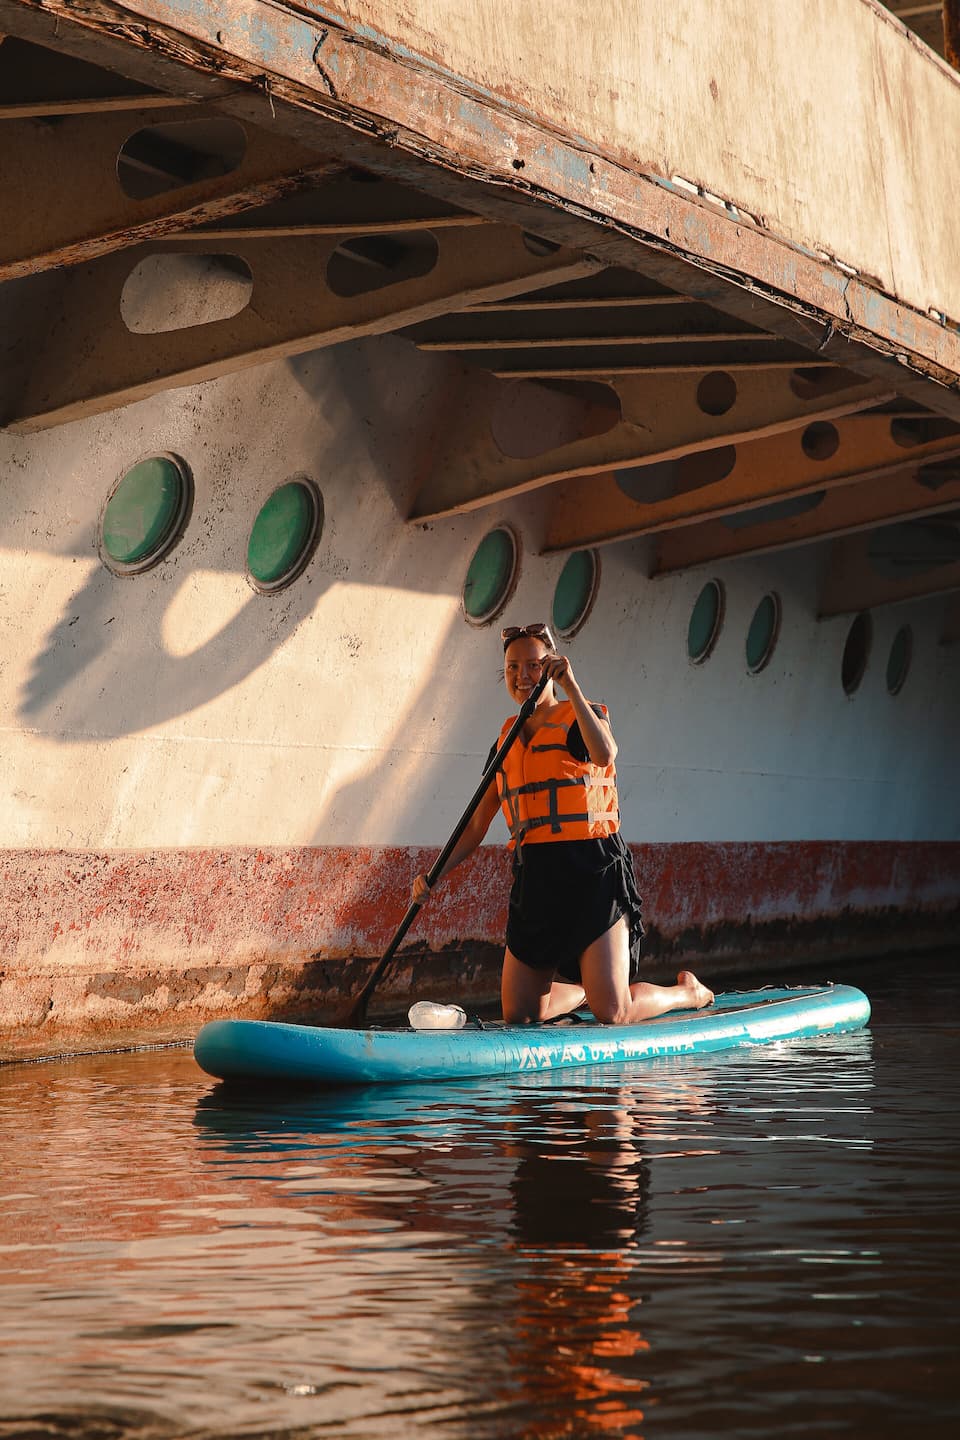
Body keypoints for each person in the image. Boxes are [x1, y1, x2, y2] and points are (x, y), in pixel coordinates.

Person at [412, 621, 714, 1025]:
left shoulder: (577, 717)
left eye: (534, 666)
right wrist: (434, 876)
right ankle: (582, 991)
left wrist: (572, 686)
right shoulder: (505, 742)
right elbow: (475, 826)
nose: (523, 676)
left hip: (591, 871)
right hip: (536, 879)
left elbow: (605, 754)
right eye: (513, 668)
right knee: (519, 1016)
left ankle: (686, 992)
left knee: (613, 1011)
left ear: (551, 665)